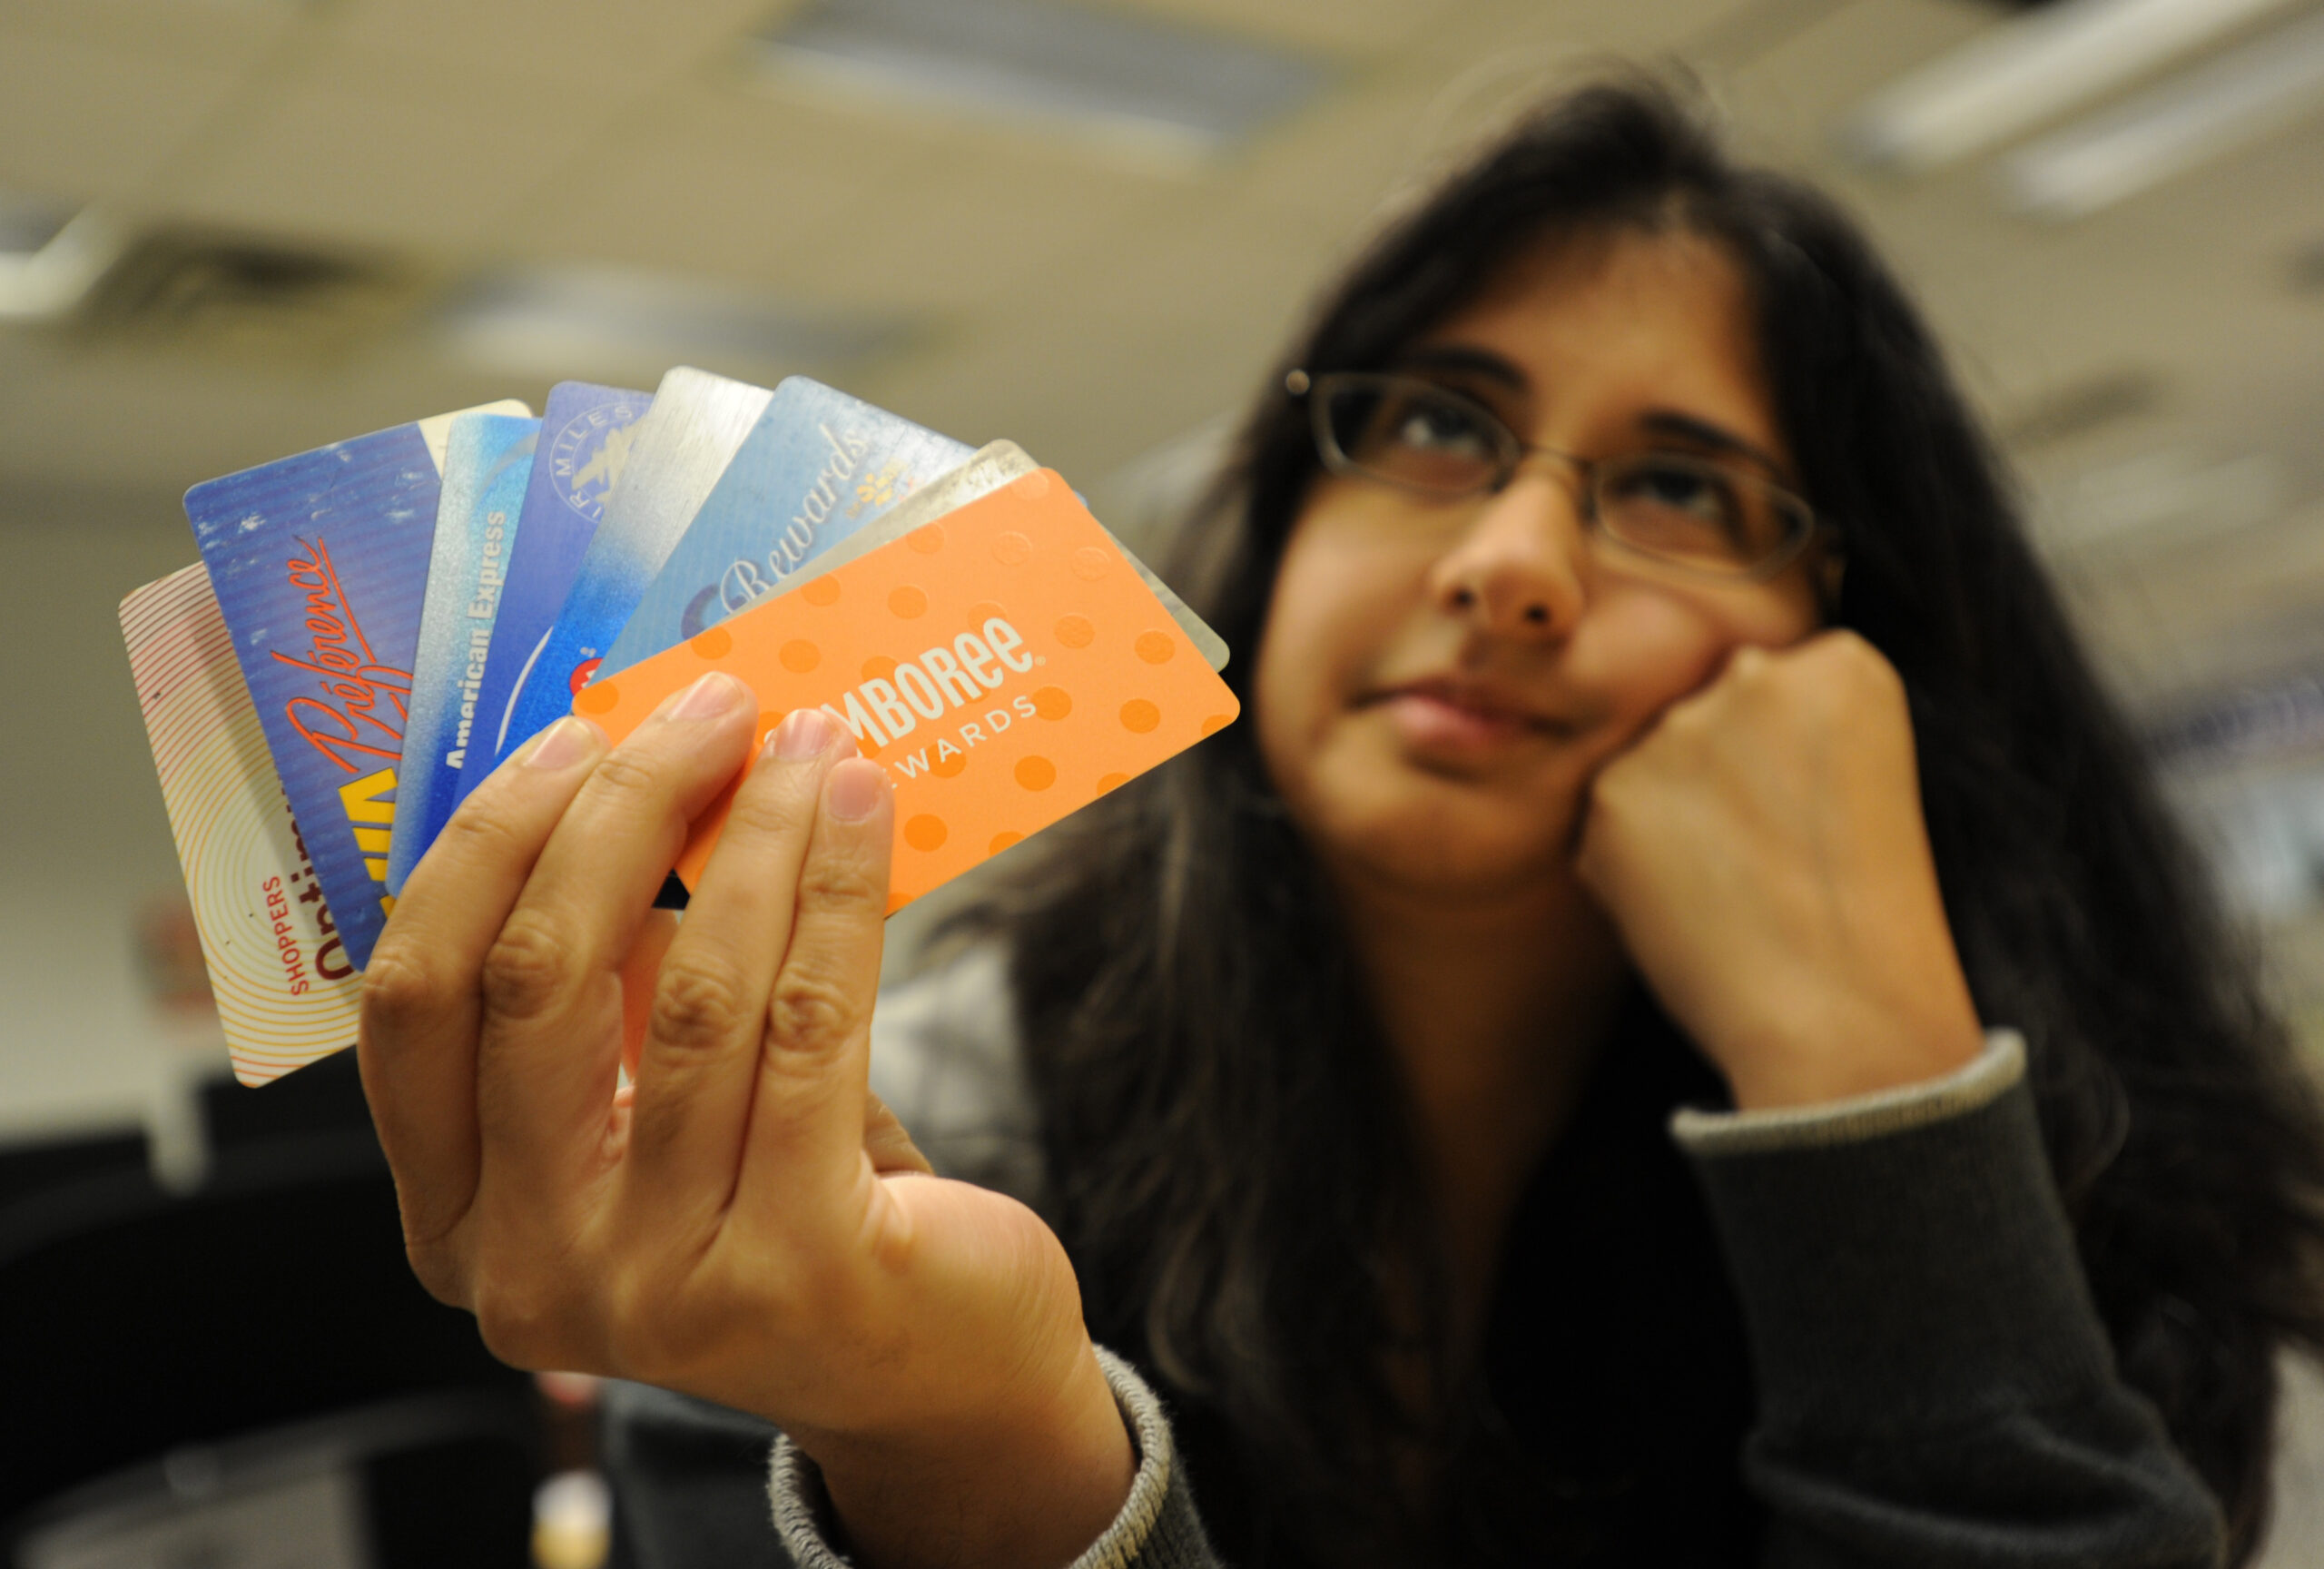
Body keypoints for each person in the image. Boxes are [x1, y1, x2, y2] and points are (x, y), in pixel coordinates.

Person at [356, 78, 2324, 1567]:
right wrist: (968, 1445)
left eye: (1681, 489)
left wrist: (1865, 1077)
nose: (1514, 562)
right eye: (1439, 425)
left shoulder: (2059, 1154)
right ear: (1285, 527)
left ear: (1847, 652)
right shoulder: (889, 1143)